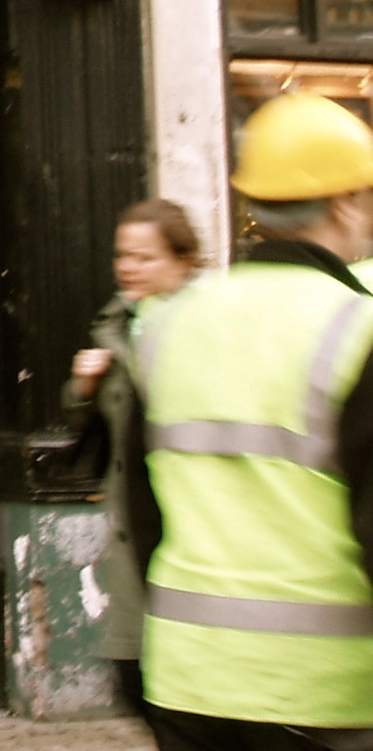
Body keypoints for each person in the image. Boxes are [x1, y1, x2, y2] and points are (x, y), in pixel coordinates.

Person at [129, 93, 373, 750]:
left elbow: (142, 510)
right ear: (344, 201)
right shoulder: (358, 329)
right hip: (323, 690)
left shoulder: (168, 323)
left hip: (187, 676)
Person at [66, 199, 201, 719]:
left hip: (190, 522)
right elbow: (92, 430)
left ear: (183, 261)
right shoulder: (118, 324)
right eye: (123, 255)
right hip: (133, 527)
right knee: (139, 681)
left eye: (144, 257)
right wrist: (81, 388)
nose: (128, 268)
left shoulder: (206, 325)